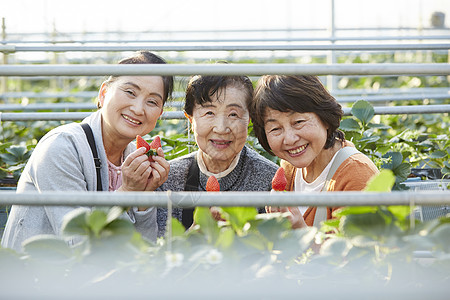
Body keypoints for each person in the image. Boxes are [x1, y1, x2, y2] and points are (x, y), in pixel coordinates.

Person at [1, 51, 173, 252]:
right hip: (35, 277)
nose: (138, 108)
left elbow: (143, 250)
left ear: (159, 114)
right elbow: (77, 243)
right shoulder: (62, 147)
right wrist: (127, 192)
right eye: (130, 92)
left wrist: (144, 198)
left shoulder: (136, 159)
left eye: (152, 102)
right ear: (103, 93)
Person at [157, 74, 279, 237]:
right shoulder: (168, 179)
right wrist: (196, 233)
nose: (221, 128)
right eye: (209, 113)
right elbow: (158, 253)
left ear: (249, 118)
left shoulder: (270, 180)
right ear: (190, 119)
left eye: (233, 114)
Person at [251, 75, 379, 229]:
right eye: (276, 129)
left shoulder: (356, 174)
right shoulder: (289, 168)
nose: (290, 139)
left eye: (298, 122)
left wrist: (299, 229)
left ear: (324, 118)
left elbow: (356, 251)